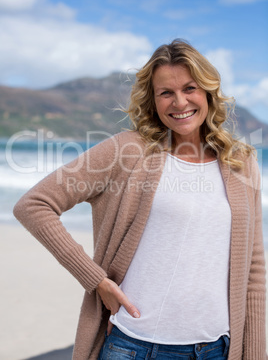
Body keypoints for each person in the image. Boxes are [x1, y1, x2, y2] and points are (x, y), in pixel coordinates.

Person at [13, 39, 266, 360]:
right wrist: (96, 280)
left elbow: (254, 268)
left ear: (208, 92)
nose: (179, 102)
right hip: (136, 347)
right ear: (153, 100)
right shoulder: (127, 150)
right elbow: (34, 205)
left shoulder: (240, 162)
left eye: (190, 88)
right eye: (166, 93)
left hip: (216, 348)